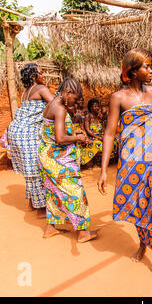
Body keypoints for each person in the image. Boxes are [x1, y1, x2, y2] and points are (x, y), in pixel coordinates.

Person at [97, 48, 152, 280]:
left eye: (151, 66)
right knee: (139, 203)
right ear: (132, 71)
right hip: (131, 162)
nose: (151, 71)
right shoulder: (118, 98)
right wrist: (102, 170)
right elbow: (109, 133)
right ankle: (142, 244)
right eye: (146, 67)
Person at [38, 78, 98, 242]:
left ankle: (50, 228)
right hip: (57, 160)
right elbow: (60, 137)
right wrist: (78, 137)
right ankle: (83, 232)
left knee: (53, 193)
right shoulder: (59, 109)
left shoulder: (51, 105)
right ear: (68, 93)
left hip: (46, 156)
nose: (76, 102)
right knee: (76, 193)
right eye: (75, 98)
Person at [7, 63, 53, 218]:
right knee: (36, 170)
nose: (44, 75)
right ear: (34, 76)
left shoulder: (25, 92)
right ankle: (41, 209)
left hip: (16, 132)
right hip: (27, 134)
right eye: (41, 73)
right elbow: (55, 105)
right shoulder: (41, 89)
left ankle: (32, 203)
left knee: (29, 170)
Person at [79, 98, 104, 166]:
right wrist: (97, 137)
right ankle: (96, 162)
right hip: (92, 137)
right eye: (95, 106)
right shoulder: (88, 116)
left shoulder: (98, 116)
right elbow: (87, 130)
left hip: (100, 136)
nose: (97, 108)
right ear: (90, 107)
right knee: (98, 144)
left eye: (97, 106)